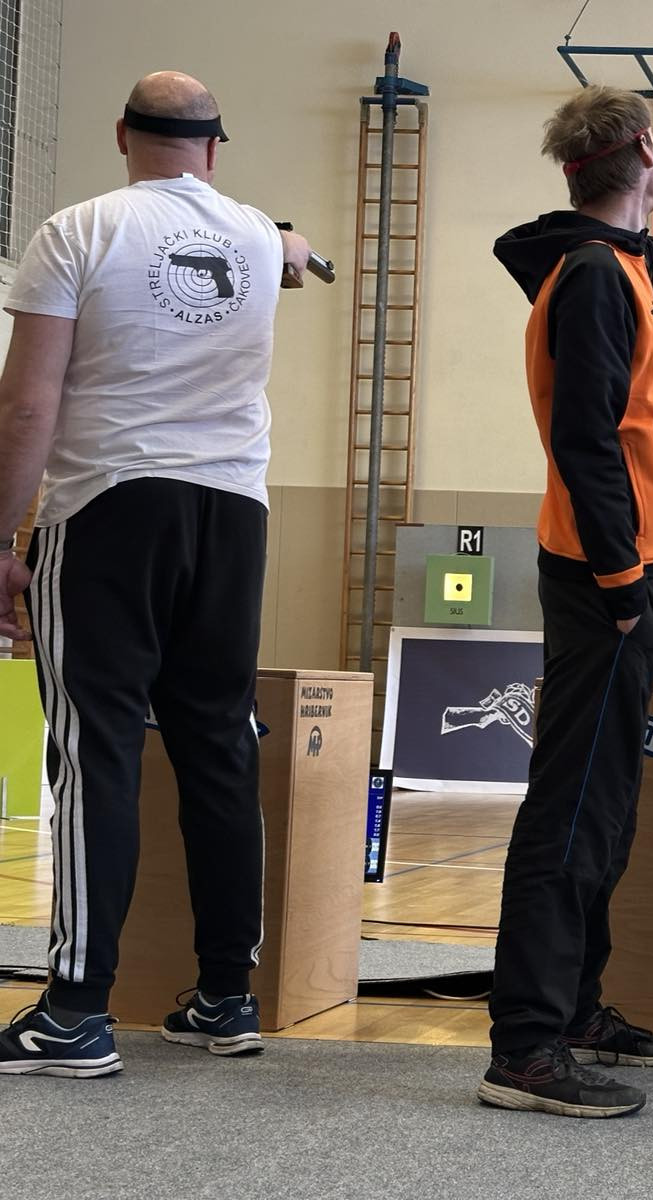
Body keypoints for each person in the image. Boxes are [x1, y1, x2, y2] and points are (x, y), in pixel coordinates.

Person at [0, 72, 310, 1078]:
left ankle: (75, 1013)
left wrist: (0, 541)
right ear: (214, 148)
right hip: (234, 515)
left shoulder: (76, 230)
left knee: (97, 752)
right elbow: (290, 251)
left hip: (110, 508)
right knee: (219, 746)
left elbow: (26, 407)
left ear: (121, 136)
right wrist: (289, 246)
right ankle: (226, 998)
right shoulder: (258, 237)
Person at [479, 84, 653, 1119]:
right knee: (571, 810)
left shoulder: (612, 264)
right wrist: (619, 582)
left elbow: (631, 258)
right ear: (647, 152)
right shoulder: (598, 279)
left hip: (630, 567)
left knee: (606, 806)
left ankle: (572, 1010)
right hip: (607, 577)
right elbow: (585, 437)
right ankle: (526, 1045)